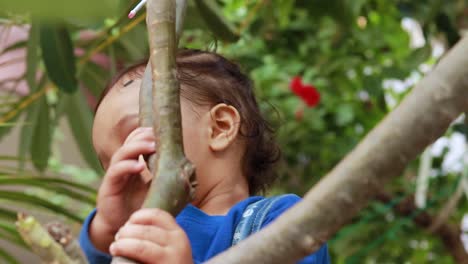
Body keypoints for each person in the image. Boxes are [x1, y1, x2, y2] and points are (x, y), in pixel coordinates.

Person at [79, 49, 330, 263]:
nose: (122, 164)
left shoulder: (278, 220)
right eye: (109, 163)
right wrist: (107, 229)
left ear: (220, 127)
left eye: (135, 135)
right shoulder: (130, 239)